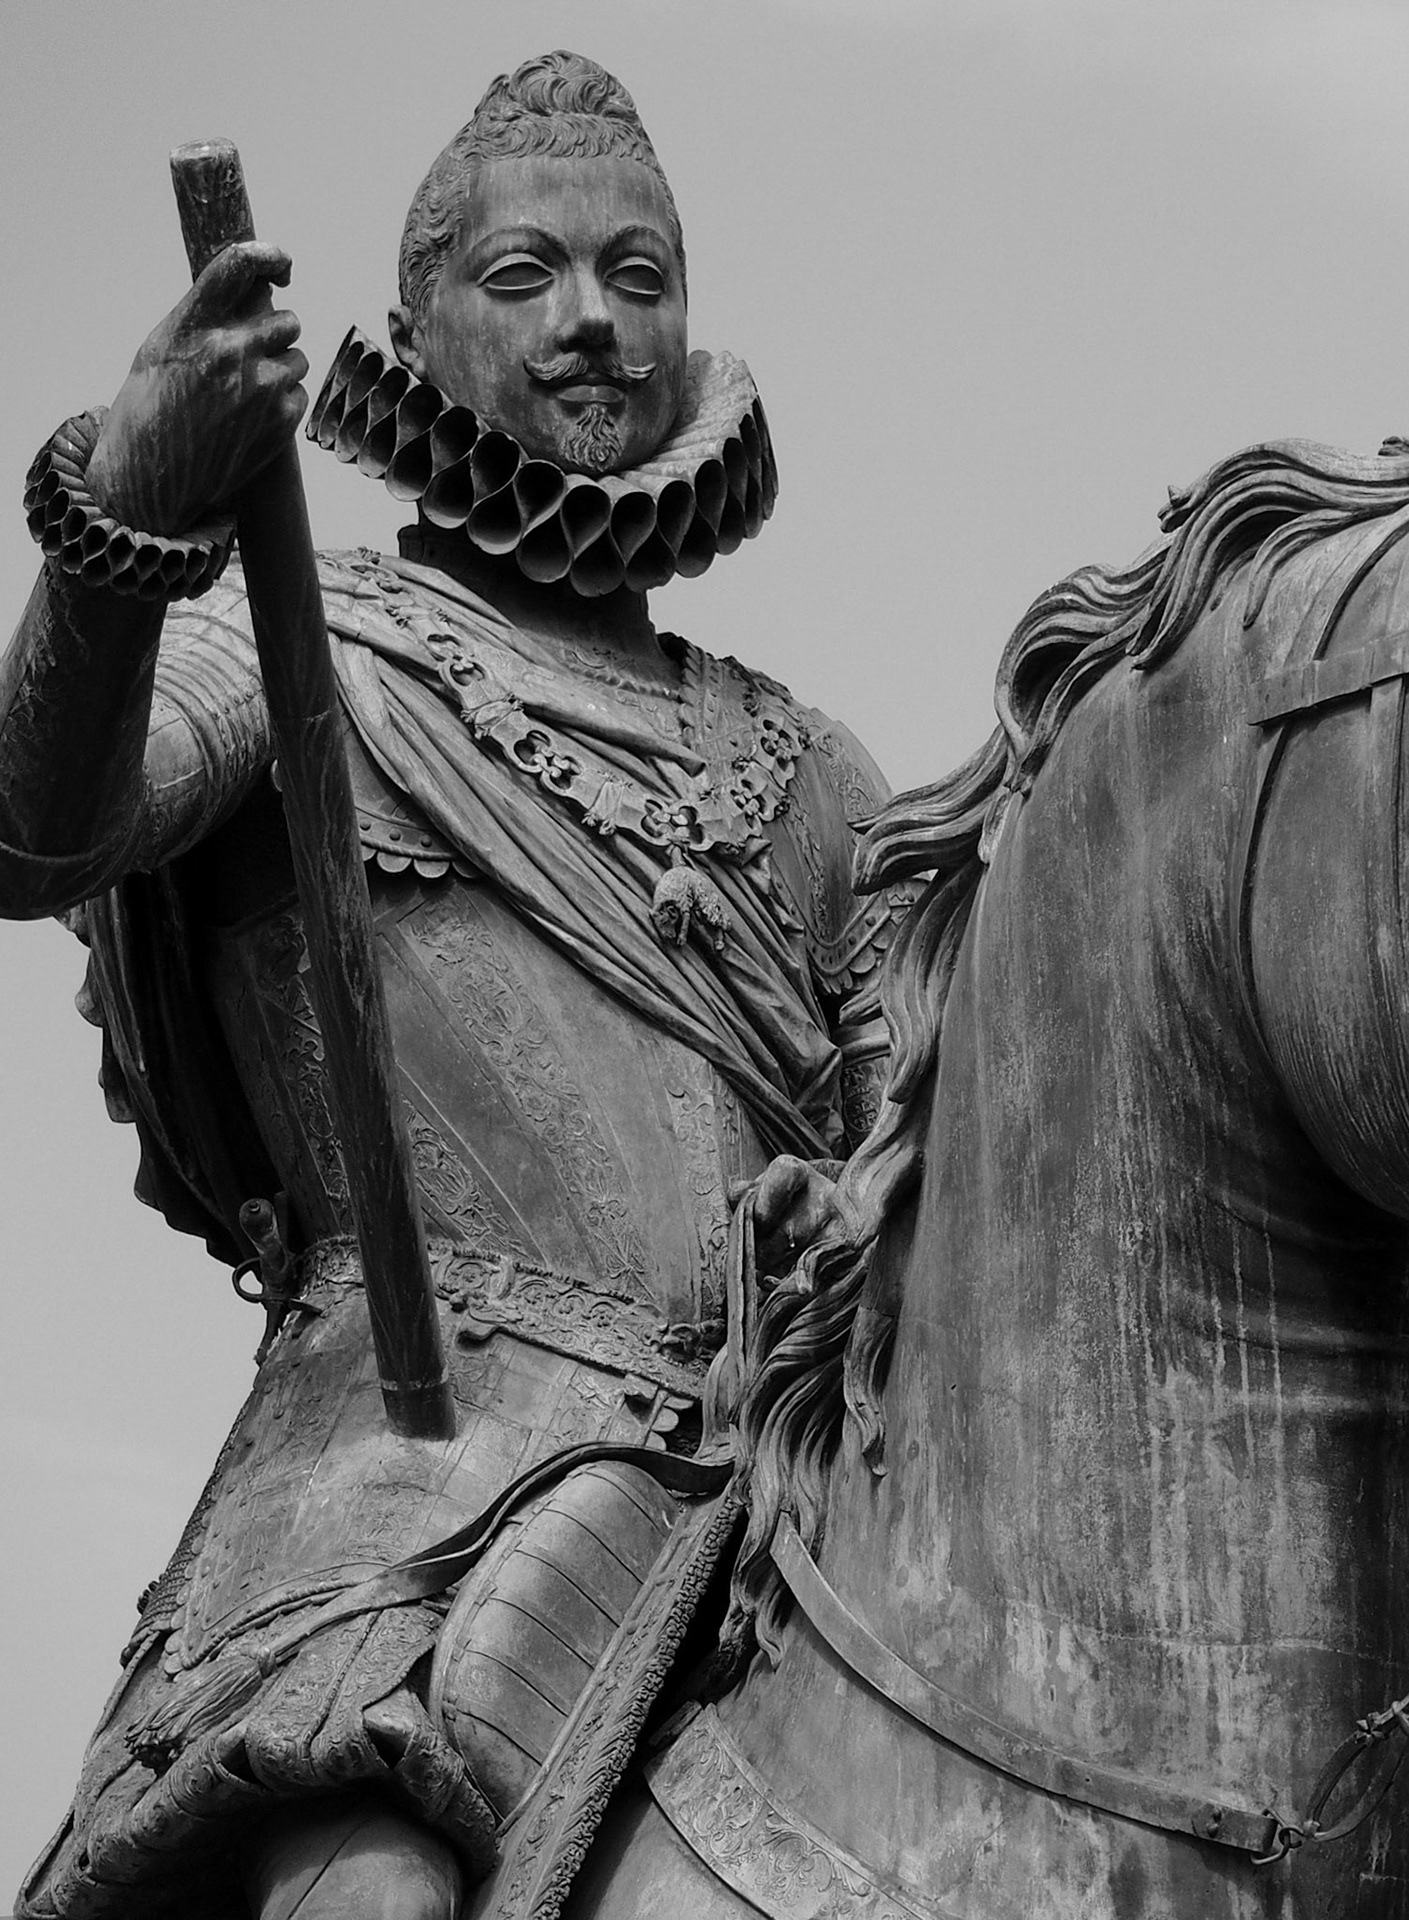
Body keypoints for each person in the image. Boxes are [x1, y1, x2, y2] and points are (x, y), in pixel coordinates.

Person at [4, 51, 896, 1920]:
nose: (593, 323)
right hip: (417, 1483)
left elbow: (951, 1126)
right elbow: (35, 833)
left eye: (639, 275)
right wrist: (121, 523)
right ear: (413, 336)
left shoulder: (807, 771)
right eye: (529, 275)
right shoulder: (306, 643)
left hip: (780, 1502)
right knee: (380, 1888)